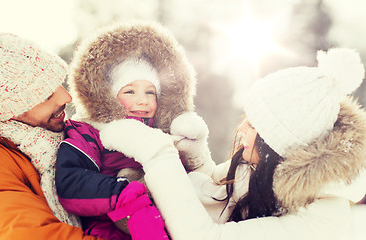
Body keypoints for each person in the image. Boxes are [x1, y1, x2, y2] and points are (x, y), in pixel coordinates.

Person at [98, 48, 366, 240]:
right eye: (247, 120)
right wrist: (196, 156)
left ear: (280, 145)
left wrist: (157, 153)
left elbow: (202, 235)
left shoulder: (321, 224)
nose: (242, 133)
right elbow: (217, 188)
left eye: (255, 128)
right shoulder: (267, 167)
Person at [54, 21, 197, 240]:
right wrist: (121, 191)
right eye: (130, 91)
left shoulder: (160, 133)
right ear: (108, 97)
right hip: (108, 226)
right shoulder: (90, 132)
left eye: (150, 92)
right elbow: (71, 182)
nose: (142, 101)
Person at [0, 32, 102, 239]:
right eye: (46, 95)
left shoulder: (67, 140)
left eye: (59, 84)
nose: (67, 97)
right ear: (8, 110)